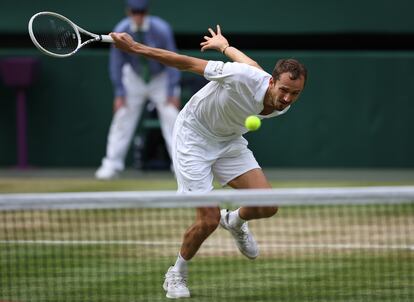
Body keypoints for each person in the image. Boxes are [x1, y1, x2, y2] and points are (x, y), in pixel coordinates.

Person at [110, 25, 307, 299]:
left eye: (295, 93)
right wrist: (134, 48)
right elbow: (186, 62)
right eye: (284, 89)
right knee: (208, 219)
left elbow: (249, 61)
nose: (287, 98)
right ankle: (176, 273)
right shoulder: (243, 77)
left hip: (228, 140)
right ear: (271, 82)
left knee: (267, 204)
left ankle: (235, 222)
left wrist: (224, 45)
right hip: (193, 136)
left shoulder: (279, 99)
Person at [95, 0, 181, 180]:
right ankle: (111, 165)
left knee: (173, 118)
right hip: (134, 78)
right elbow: (116, 64)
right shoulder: (120, 30)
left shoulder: (161, 29)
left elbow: (173, 58)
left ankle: (180, 165)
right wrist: (119, 93)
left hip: (160, 77)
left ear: (146, 11)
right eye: (135, 11)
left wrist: (172, 90)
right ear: (128, 12)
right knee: (122, 117)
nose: (138, 16)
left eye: (141, 11)